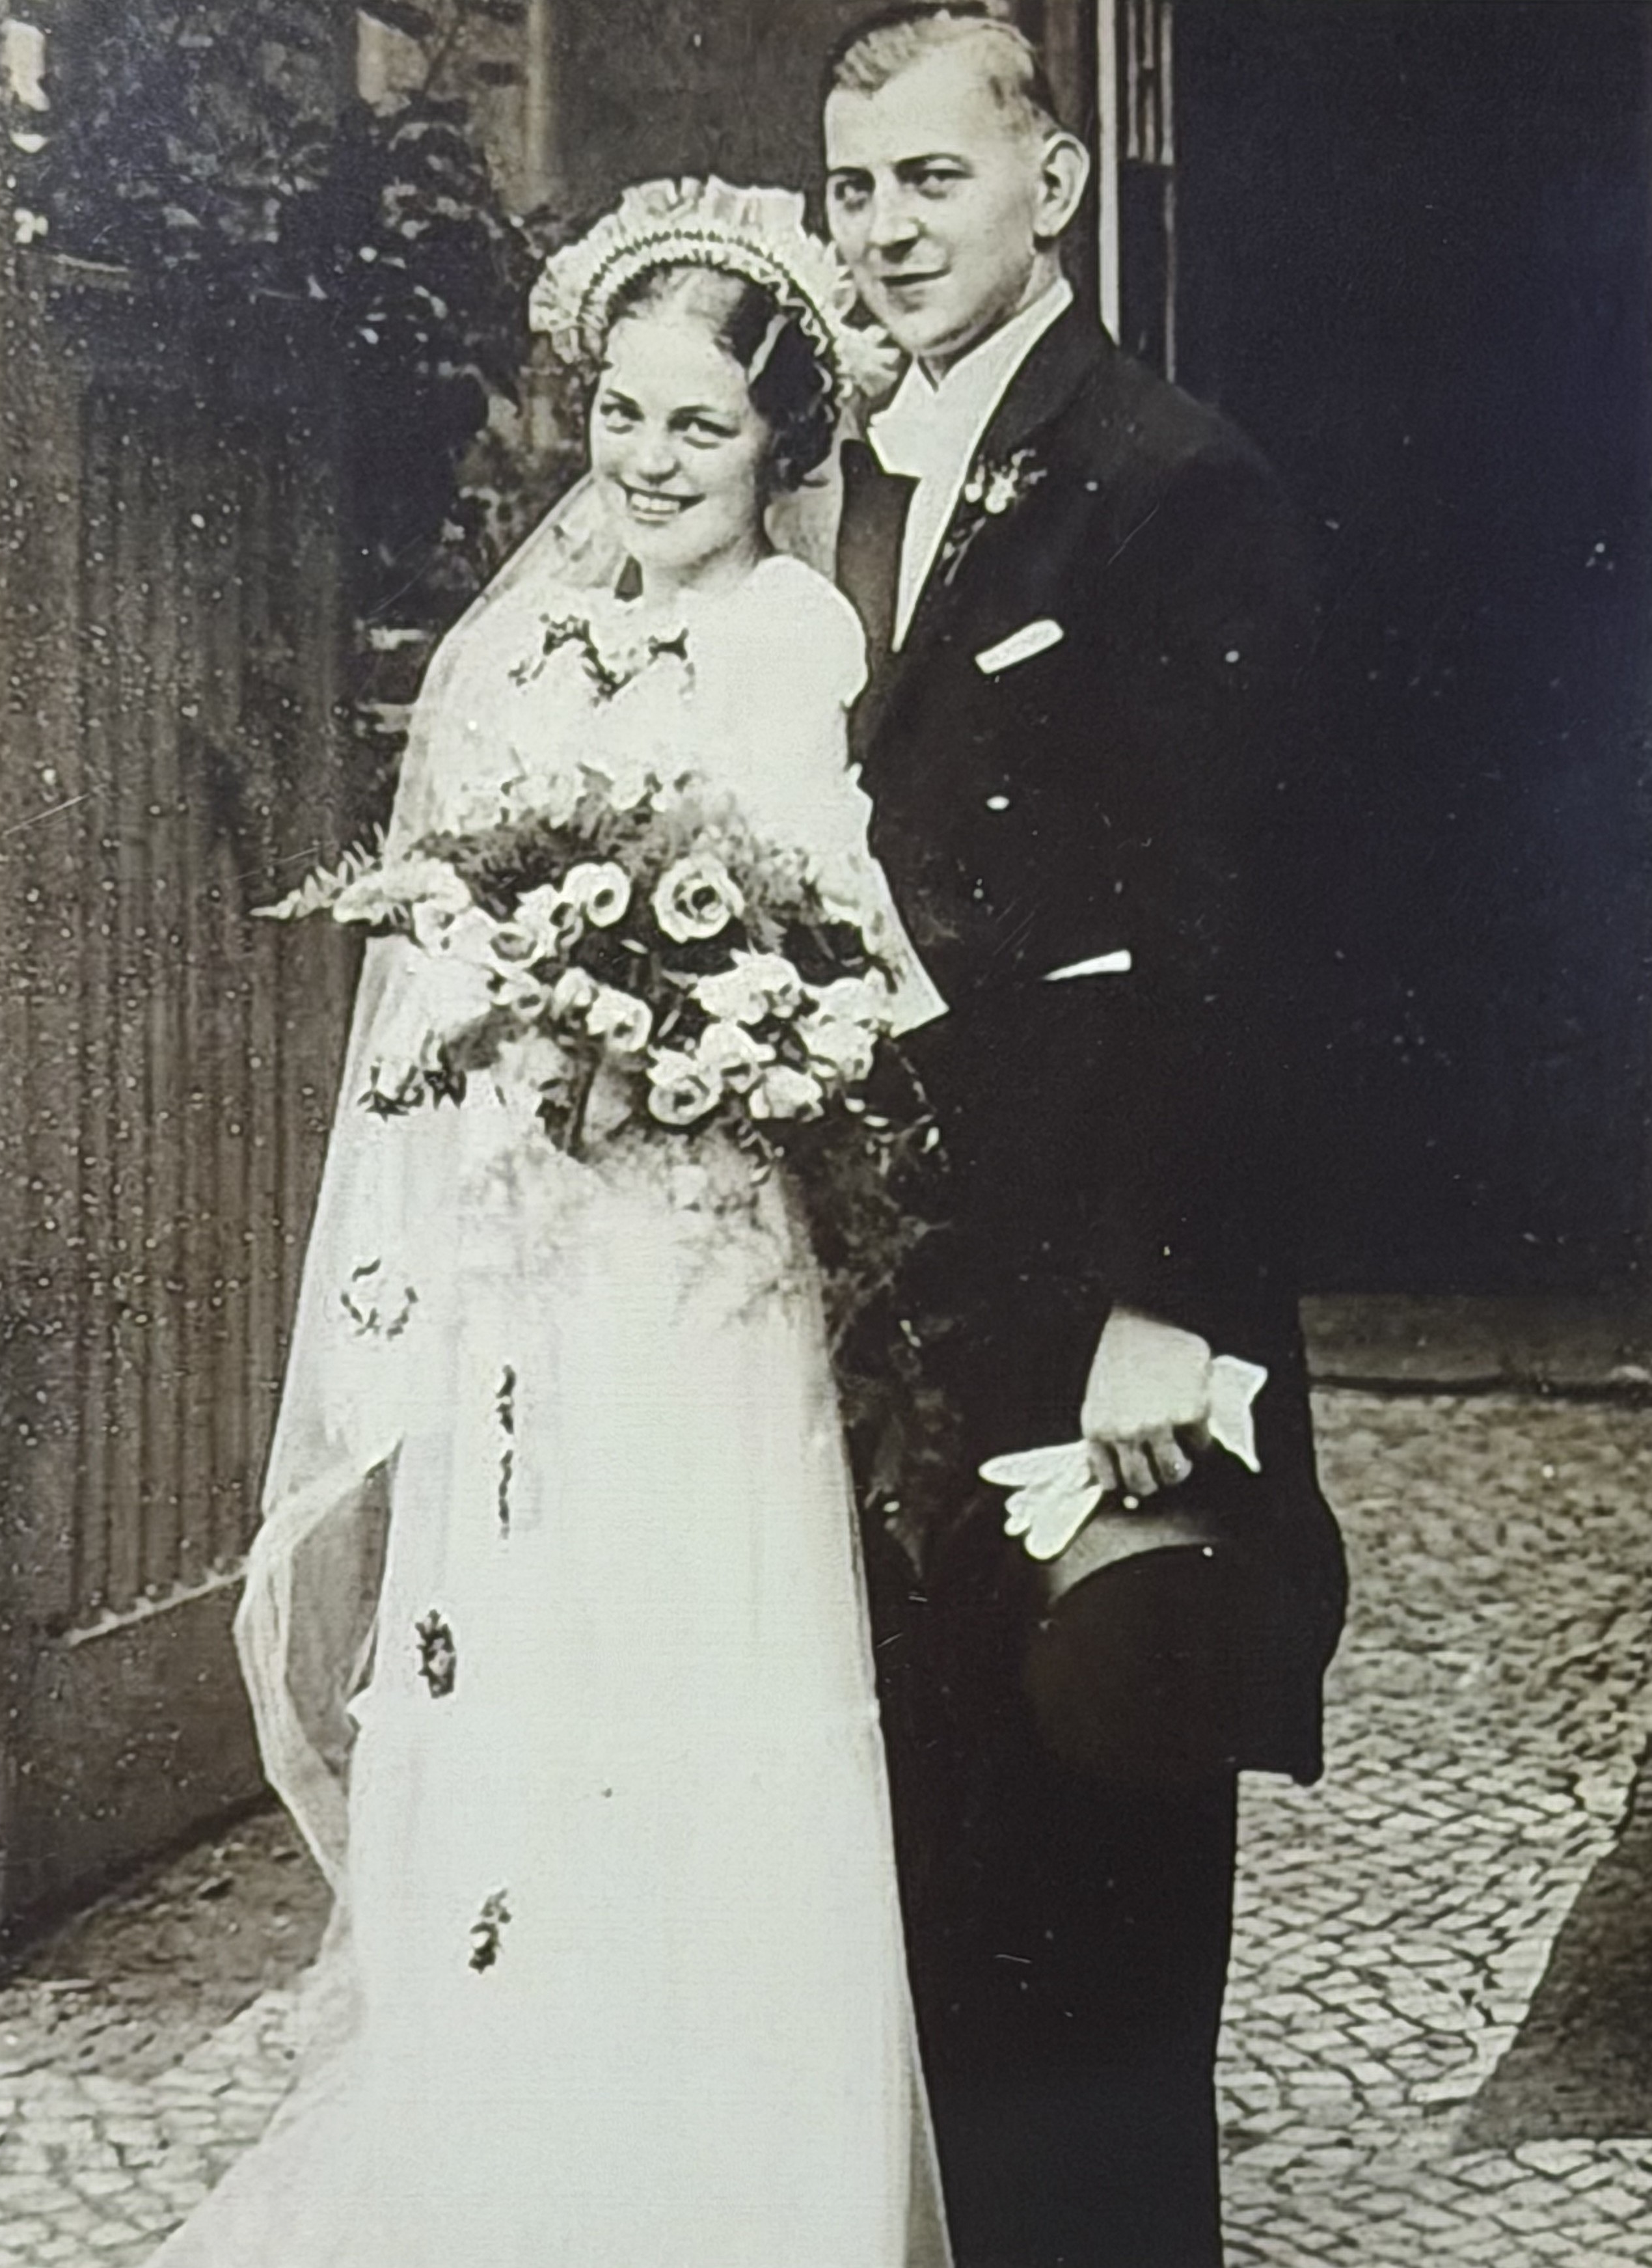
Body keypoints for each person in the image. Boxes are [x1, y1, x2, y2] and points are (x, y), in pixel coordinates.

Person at [145, 179, 952, 2268]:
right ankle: (512, 2158)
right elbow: (438, 937)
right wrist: (512, 1025)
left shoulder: (795, 639)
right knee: (525, 1649)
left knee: (704, 1659)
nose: (649, 462)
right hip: (534, 1242)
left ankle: (740, 2195)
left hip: (703, 1250)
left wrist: (689, 1034)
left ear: (779, 442)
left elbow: (838, 948)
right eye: (621, 414)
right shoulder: (517, 649)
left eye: (699, 425)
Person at [822, 9, 1349, 2266]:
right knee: (936, 1842)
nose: (886, 230)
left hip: (1091, 1286)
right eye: (853, 189)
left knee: (1095, 1832)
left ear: (1050, 186)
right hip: (893, 1280)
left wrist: (1164, 1298)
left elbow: (1236, 934)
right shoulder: (841, 478)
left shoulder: (1164, 481)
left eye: (931, 179)